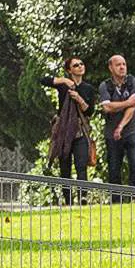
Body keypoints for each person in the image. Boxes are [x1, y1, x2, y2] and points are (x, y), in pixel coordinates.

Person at [42, 56, 95, 200]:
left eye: (81, 64)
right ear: (69, 70)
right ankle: (68, 200)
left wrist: (79, 99)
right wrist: (64, 80)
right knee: (64, 167)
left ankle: (83, 197)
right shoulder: (63, 86)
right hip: (64, 131)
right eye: (76, 65)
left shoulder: (88, 88)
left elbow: (90, 111)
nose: (80, 67)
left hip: (79, 130)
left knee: (81, 165)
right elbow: (43, 80)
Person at [96, 53, 135, 190]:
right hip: (111, 132)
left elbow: (133, 107)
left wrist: (121, 126)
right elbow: (106, 107)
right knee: (114, 166)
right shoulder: (105, 86)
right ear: (111, 68)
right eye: (118, 65)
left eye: (124, 64)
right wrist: (126, 102)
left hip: (133, 129)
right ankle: (116, 199)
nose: (122, 67)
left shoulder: (134, 82)